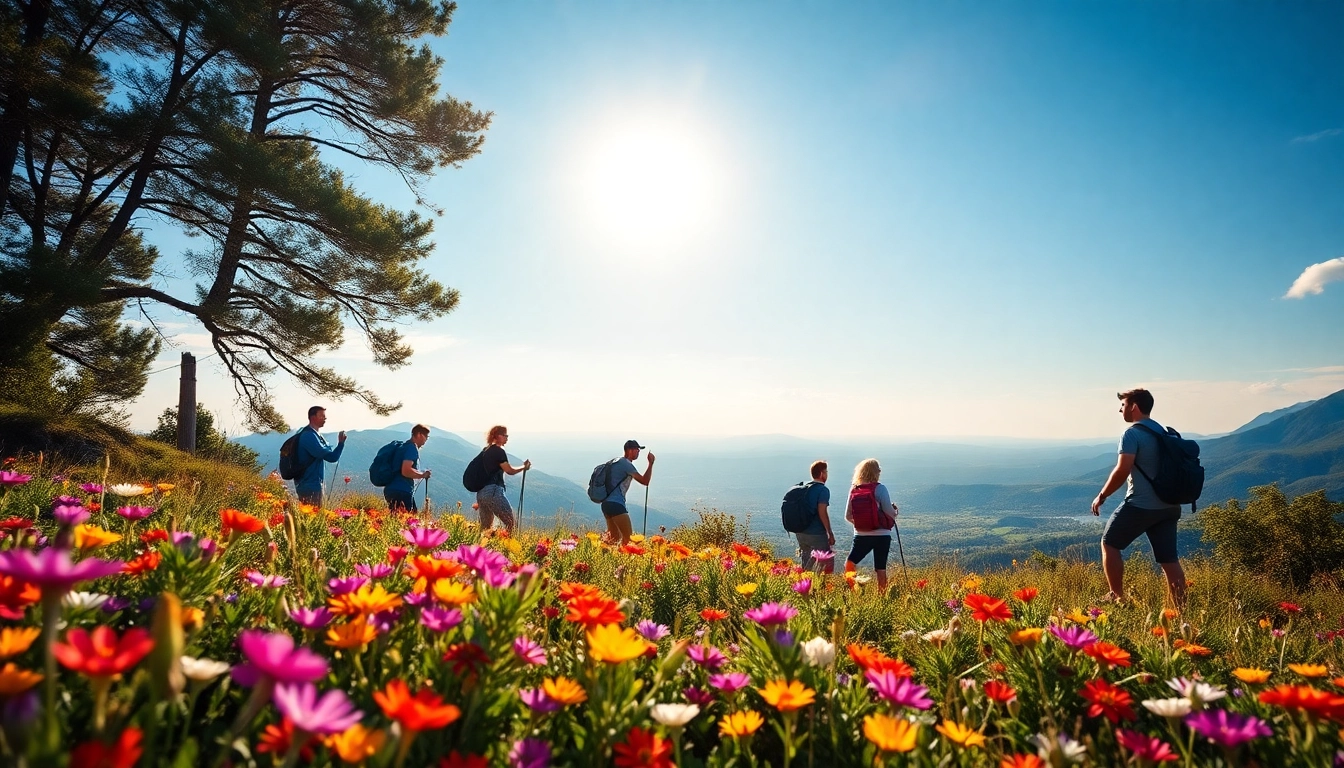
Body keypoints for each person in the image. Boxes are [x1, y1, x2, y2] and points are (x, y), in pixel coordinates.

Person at [1091, 388, 1187, 607]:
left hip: (1142, 504)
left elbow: (1122, 469)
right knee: (1169, 559)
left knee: (1109, 543)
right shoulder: (1165, 432)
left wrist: (1102, 495)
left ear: (1134, 406)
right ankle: (1182, 613)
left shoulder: (1132, 434)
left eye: (1123, 405)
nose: (1120, 409)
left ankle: (1116, 597)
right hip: (1170, 506)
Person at [844, 458, 898, 591]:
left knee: (850, 562)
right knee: (880, 567)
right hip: (882, 535)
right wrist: (895, 511)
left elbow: (848, 516)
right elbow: (890, 512)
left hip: (861, 535)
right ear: (876, 472)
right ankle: (882, 596)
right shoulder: (880, 489)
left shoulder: (854, 489)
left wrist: (862, 524)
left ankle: (853, 591)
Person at [599, 440, 655, 546]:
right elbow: (645, 481)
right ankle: (626, 560)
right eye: (637, 450)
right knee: (629, 540)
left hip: (606, 504)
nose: (638, 452)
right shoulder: (626, 464)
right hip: (616, 504)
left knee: (614, 540)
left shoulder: (616, 462)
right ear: (630, 450)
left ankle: (609, 559)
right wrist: (650, 464)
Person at [476, 425, 530, 534]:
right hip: (494, 491)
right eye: (505, 435)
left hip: (481, 492)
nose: (507, 438)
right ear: (498, 436)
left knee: (485, 527)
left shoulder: (486, 450)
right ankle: (506, 546)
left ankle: (483, 547)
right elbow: (509, 470)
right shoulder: (499, 451)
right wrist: (524, 467)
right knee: (510, 522)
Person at [295, 406, 345, 509]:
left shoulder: (313, 434)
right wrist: (341, 444)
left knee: (312, 516)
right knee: (313, 516)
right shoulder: (309, 436)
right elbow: (332, 457)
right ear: (313, 417)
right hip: (310, 485)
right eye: (322, 416)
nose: (325, 418)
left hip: (310, 483)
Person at [795, 461, 836, 573]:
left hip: (800, 532)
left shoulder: (804, 487)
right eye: (826, 472)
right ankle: (823, 588)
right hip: (816, 533)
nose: (827, 474)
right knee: (825, 561)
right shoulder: (823, 490)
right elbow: (822, 511)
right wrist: (830, 533)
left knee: (807, 562)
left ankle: (805, 585)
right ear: (822, 473)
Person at [385, 424, 432, 513]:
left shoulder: (403, 447)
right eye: (426, 436)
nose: (426, 439)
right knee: (406, 521)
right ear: (418, 434)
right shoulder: (411, 448)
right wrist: (422, 475)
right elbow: (405, 471)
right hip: (401, 491)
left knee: (407, 517)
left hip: (391, 489)